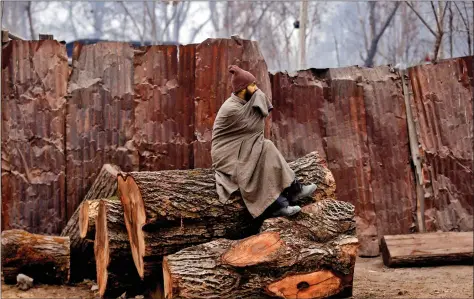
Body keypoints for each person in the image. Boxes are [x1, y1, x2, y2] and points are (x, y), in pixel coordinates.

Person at [211, 65, 317, 218]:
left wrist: (255, 91)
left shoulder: (244, 100)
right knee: (260, 155)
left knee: (266, 146)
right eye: (252, 85)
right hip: (226, 155)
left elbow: (261, 101)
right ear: (242, 90)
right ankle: (279, 204)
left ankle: (293, 190)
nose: (256, 88)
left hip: (242, 146)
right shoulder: (231, 109)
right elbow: (257, 123)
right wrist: (257, 96)